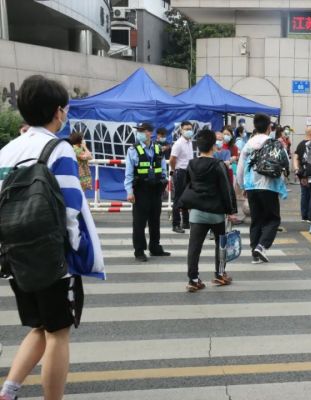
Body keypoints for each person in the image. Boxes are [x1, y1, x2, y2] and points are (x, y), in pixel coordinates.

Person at [0, 75, 105, 400]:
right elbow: (70, 209)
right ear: (58, 111)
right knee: (58, 333)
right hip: (53, 256)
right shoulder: (59, 149)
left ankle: (8, 391)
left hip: (17, 254)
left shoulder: (8, 150)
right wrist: (78, 252)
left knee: (40, 326)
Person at [181, 129, 237, 291]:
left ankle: (193, 279)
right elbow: (226, 189)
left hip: (196, 212)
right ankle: (219, 274)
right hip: (216, 212)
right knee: (221, 244)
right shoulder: (219, 165)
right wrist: (231, 210)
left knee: (194, 247)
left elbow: (187, 185)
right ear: (213, 146)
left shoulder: (191, 164)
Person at [236, 113, 288, 263]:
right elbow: (285, 164)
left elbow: (240, 167)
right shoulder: (275, 144)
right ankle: (262, 246)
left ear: (254, 126)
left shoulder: (248, 143)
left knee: (256, 220)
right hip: (269, 186)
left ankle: (255, 254)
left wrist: (242, 185)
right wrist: (282, 183)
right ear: (269, 127)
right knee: (273, 219)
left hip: (251, 186)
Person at [125, 122, 170, 261]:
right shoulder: (133, 150)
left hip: (156, 189)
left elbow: (163, 167)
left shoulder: (157, 148)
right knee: (139, 222)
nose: (139, 133)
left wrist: (164, 181)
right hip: (141, 189)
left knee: (155, 220)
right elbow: (129, 173)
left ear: (150, 133)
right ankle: (139, 251)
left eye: (142, 131)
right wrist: (129, 191)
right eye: (138, 131)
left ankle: (155, 247)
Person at [169, 121, 194, 234]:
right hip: (180, 172)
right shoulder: (178, 144)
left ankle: (186, 222)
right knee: (178, 199)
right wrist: (174, 171)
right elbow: (172, 160)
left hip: (189, 172)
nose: (189, 131)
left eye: (190, 129)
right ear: (181, 130)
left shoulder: (190, 142)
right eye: (186, 129)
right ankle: (176, 224)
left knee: (187, 198)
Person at [293, 125, 311, 222]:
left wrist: (296, 169)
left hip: (302, 173)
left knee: (304, 194)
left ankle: (304, 216)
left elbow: (295, 157)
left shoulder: (300, 144)